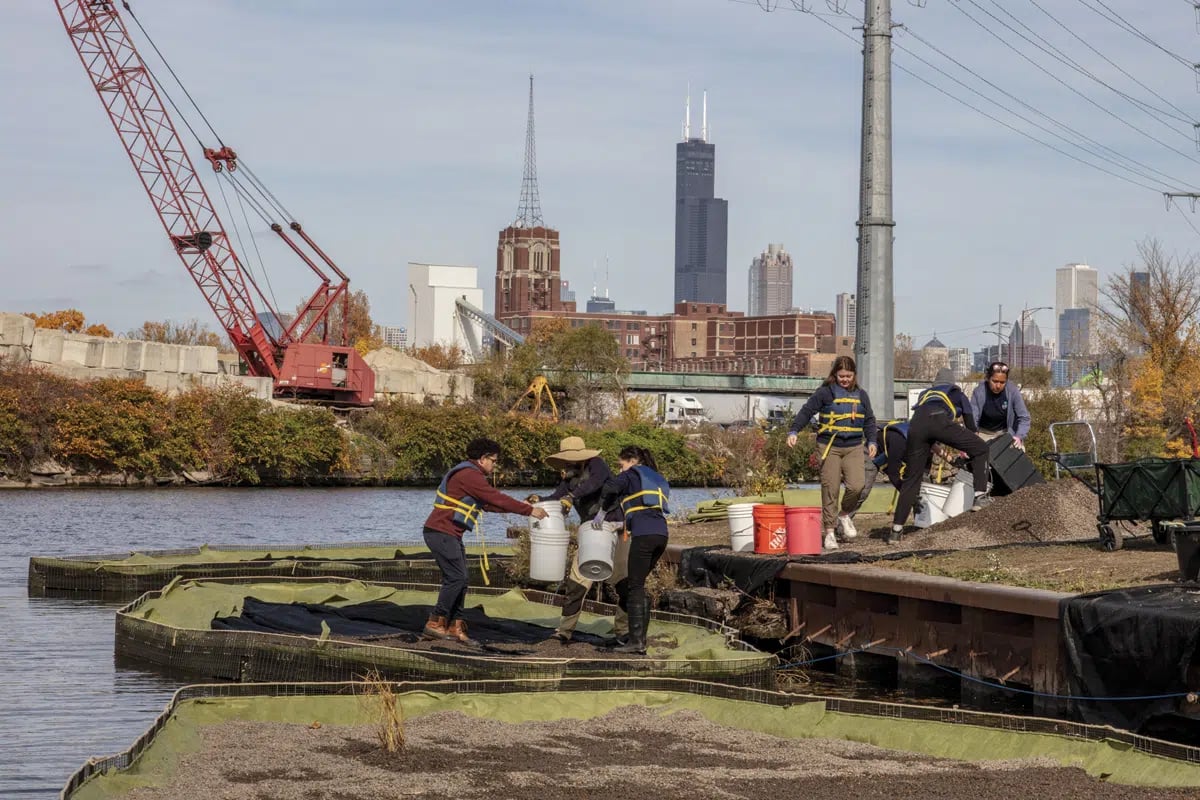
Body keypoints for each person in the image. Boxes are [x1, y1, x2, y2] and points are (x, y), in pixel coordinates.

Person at [422, 437, 547, 644]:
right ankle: (434, 623)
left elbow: (489, 505)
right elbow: (495, 497)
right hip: (439, 532)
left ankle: (454, 625)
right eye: (494, 460)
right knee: (456, 578)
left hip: (448, 533)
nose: (495, 465)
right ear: (482, 459)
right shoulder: (469, 475)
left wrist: (520, 507)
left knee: (461, 580)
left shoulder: (471, 475)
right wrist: (529, 510)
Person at [527, 436, 630, 646]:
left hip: (613, 527)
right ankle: (564, 631)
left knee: (623, 582)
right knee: (576, 583)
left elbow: (595, 484)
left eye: (570, 461)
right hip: (589, 532)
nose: (566, 465)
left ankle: (623, 630)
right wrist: (540, 499)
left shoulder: (597, 466)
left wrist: (571, 497)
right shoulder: (569, 480)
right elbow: (557, 496)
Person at [786, 356, 878, 551]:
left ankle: (844, 515)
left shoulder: (862, 395)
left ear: (854, 375)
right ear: (834, 375)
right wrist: (794, 430)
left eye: (848, 376)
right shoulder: (825, 393)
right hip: (829, 446)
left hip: (853, 446)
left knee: (857, 485)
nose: (845, 379)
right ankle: (829, 532)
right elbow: (807, 411)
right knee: (831, 488)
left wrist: (872, 441)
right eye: (841, 376)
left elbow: (869, 420)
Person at [889, 368, 990, 545]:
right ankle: (980, 497)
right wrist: (965, 446)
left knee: (912, 479)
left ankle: (896, 531)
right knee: (981, 449)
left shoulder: (925, 394)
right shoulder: (956, 393)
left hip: (916, 426)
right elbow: (971, 426)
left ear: (935, 384)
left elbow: (928, 431)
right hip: (939, 420)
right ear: (952, 383)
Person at [598, 445, 669, 655]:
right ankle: (637, 637)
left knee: (635, 587)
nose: (621, 470)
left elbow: (610, 487)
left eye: (622, 465)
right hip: (661, 535)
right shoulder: (655, 476)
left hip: (644, 536)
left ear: (632, 461)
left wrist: (603, 510)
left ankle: (637, 643)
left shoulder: (631, 474)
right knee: (636, 584)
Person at [971, 361, 1032, 449]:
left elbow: (1024, 417)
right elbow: (973, 419)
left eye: (1002, 382)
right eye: (995, 381)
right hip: (983, 433)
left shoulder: (1013, 391)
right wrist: (973, 435)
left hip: (1006, 433)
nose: (998, 386)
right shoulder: (979, 392)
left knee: (1018, 454)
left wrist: (1019, 436)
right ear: (988, 378)